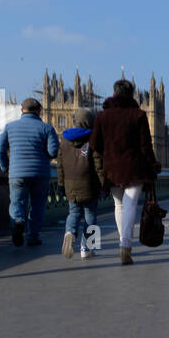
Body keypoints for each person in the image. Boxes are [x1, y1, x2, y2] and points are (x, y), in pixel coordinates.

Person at [91, 79, 161, 265]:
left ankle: (123, 242)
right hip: (134, 168)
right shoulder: (138, 115)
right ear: (131, 95)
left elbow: (95, 145)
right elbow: (145, 146)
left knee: (119, 205)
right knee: (130, 205)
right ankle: (125, 244)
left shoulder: (102, 116)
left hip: (112, 168)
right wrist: (153, 164)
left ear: (114, 94)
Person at [0, 97, 59, 249]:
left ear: (22, 110)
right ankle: (33, 237)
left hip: (17, 173)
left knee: (17, 202)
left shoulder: (10, 127)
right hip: (41, 173)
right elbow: (53, 151)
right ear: (39, 111)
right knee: (38, 205)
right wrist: (43, 158)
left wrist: (6, 167)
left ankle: (18, 221)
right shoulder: (47, 128)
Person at [57, 109, 104, 259]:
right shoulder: (93, 139)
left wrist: (60, 184)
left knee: (74, 212)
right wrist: (104, 184)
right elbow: (99, 165)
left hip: (70, 184)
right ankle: (87, 249)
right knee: (91, 215)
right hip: (89, 184)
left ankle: (70, 232)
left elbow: (60, 164)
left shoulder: (64, 139)